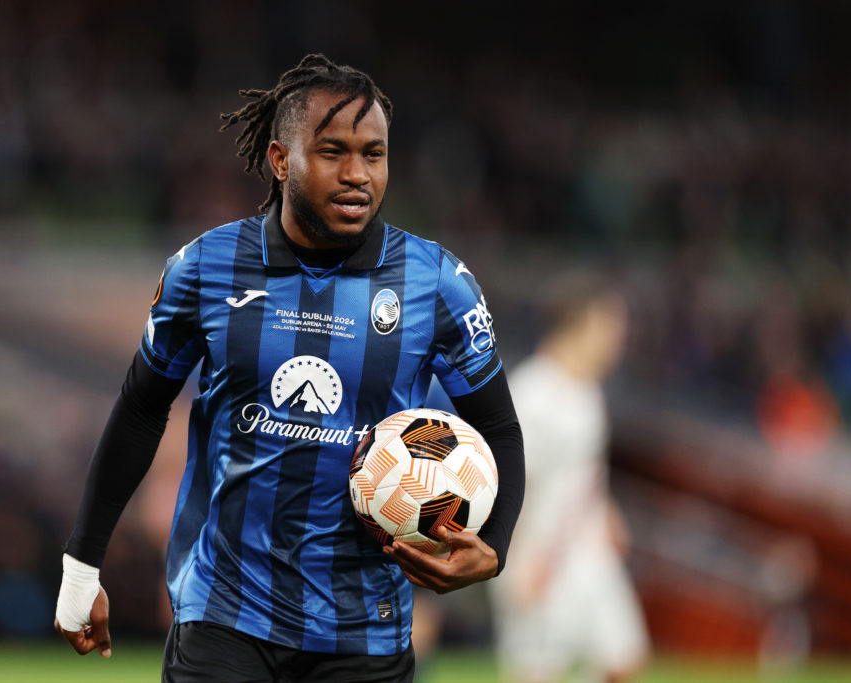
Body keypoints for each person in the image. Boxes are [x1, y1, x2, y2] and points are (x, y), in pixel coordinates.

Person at [53, 54, 524, 682]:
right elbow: (141, 408)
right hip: (224, 616)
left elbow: (499, 427)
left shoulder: (436, 283)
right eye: (332, 152)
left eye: (374, 154)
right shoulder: (205, 268)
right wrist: (82, 565)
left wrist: (494, 548)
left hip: (366, 629)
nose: (357, 174)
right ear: (281, 161)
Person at [490, 270, 648, 683]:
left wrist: (606, 511)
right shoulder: (533, 394)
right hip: (542, 558)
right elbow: (508, 484)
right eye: (614, 328)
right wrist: (516, 560)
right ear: (587, 324)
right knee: (537, 674)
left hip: (588, 553)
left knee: (624, 659)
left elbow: (581, 469)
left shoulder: (588, 392)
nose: (620, 341)